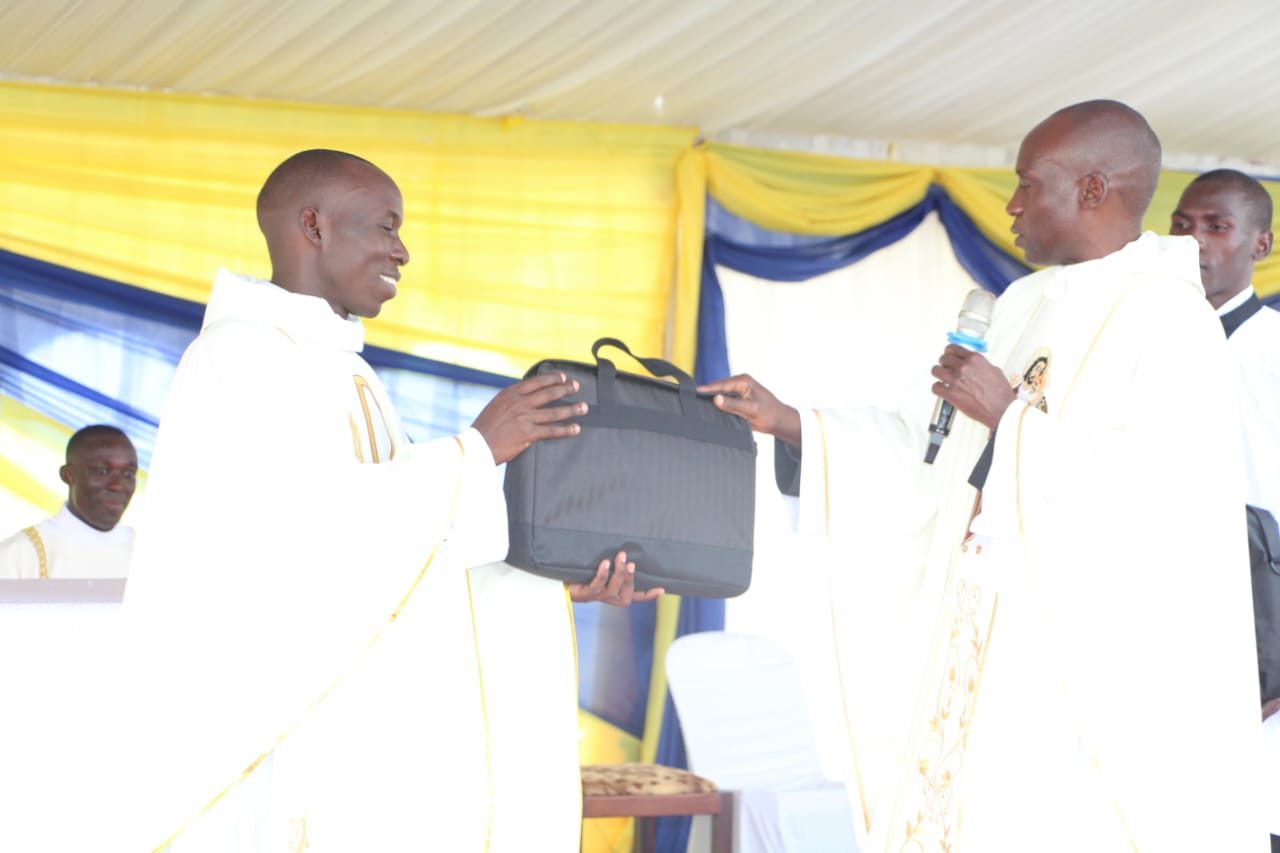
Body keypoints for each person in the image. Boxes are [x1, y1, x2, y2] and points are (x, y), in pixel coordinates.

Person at [0, 150, 660, 852]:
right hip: (285, 736)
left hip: (354, 729)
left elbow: (405, 550)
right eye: (385, 226)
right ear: (312, 225)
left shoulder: (351, 371)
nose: (403, 251)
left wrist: (545, 576)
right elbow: (317, 530)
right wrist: (477, 448)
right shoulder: (239, 355)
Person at [701, 101, 1264, 851]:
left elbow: (1161, 508)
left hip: (1072, 678)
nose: (1012, 205)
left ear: (1095, 190)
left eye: (1031, 185)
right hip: (976, 638)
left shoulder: (1172, 322)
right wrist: (794, 422)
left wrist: (1010, 420)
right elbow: (928, 454)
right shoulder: (1023, 304)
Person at [1169, 168, 1280, 848]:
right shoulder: (1142, 348)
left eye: (1217, 226)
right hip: (1168, 624)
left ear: (1259, 245)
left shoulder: (1273, 352)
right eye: (1182, 226)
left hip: (1264, 635)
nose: (1195, 244)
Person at [0, 424, 137, 578]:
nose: (117, 486)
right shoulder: (18, 555)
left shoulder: (152, 555)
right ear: (68, 475)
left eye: (128, 474)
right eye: (102, 471)